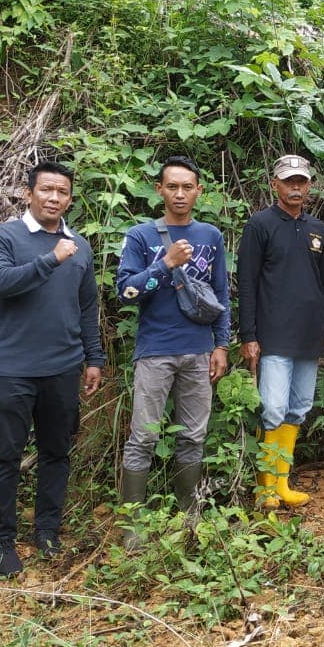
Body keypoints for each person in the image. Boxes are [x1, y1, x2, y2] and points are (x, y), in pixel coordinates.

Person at [0, 161, 104, 578]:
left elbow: (87, 307)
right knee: (4, 456)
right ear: (29, 193)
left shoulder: (79, 246)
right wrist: (50, 259)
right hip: (11, 369)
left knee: (56, 452)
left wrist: (94, 358)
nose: (54, 198)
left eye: (62, 192)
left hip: (63, 367)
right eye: (47, 190)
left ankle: (47, 531)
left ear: (70, 198)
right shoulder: (3, 237)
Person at [115, 156, 230, 548]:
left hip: (199, 352)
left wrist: (221, 344)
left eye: (188, 187)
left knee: (193, 437)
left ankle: (189, 519)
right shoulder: (140, 236)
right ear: (159, 190)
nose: (180, 194)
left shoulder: (211, 236)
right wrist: (165, 264)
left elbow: (221, 295)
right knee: (143, 436)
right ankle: (132, 526)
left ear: (199, 191)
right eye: (172, 186)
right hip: (155, 351)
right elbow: (126, 293)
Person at [237, 154, 324, 509]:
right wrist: (248, 335)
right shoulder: (260, 225)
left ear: (309, 185)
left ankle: (282, 483)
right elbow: (247, 284)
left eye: (301, 181)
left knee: (298, 408)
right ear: (275, 184)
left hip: (309, 336)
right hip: (273, 335)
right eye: (289, 181)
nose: (295, 187)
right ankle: (264, 486)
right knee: (273, 408)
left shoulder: (317, 229)